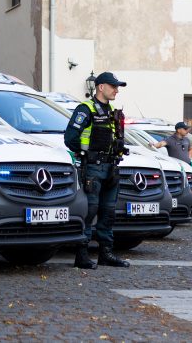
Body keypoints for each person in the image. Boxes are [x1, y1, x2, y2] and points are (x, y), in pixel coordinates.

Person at [63, 71, 130, 269]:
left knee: (108, 213)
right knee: (89, 211)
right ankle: (81, 255)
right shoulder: (86, 109)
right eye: (113, 86)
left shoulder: (113, 112)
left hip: (111, 168)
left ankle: (106, 254)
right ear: (101, 87)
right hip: (93, 168)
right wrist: (86, 154)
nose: (117, 90)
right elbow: (70, 138)